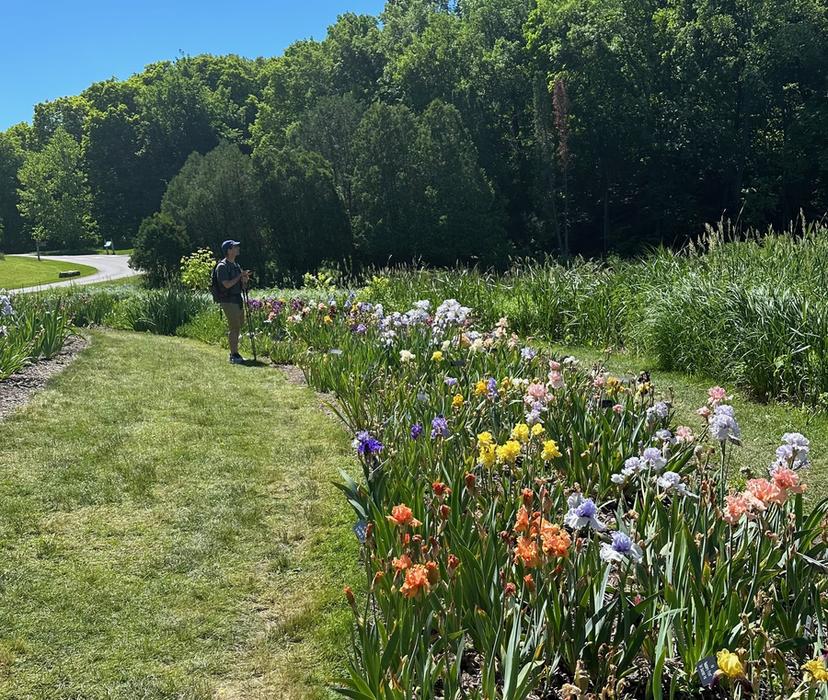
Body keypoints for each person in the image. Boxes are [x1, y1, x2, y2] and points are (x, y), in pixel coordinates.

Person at [215, 240, 250, 364]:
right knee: (234, 327)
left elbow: (243, 286)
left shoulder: (236, 265)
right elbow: (226, 284)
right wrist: (239, 276)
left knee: (239, 325)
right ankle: (233, 355)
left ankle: (235, 353)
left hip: (237, 299)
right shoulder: (222, 267)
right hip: (228, 300)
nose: (238, 248)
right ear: (229, 250)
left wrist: (244, 279)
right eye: (235, 247)